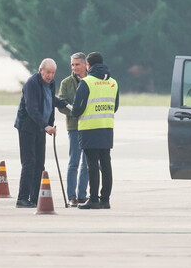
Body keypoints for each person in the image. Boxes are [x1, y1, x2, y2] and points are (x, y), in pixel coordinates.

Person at [14, 58, 70, 208]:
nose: (50, 76)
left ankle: (34, 198)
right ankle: (22, 198)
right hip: (27, 127)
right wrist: (46, 126)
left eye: (52, 73)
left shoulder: (51, 84)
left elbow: (51, 100)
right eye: (47, 72)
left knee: (40, 164)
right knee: (29, 162)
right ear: (40, 70)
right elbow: (31, 108)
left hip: (41, 127)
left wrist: (65, 104)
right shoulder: (31, 84)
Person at [71, 52, 119, 209]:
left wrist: (74, 112)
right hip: (106, 127)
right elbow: (115, 106)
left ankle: (93, 199)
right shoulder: (113, 83)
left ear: (88, 65)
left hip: (89, 129)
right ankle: (105, 200)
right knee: (106, 164)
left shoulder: (87, 82)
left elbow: (77, 109)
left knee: (92, 165)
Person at [58, 52, 89, 207]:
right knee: (74, 162)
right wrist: (75, 112)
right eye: (72, 64)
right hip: (74, 127)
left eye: (77, 64)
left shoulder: (92, 81)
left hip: (90, 126)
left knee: (87, 162)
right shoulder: (66, 83)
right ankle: (72, 196)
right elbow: (61, 103)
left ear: (85, 65)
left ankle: (82, 195)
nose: (74, 67)